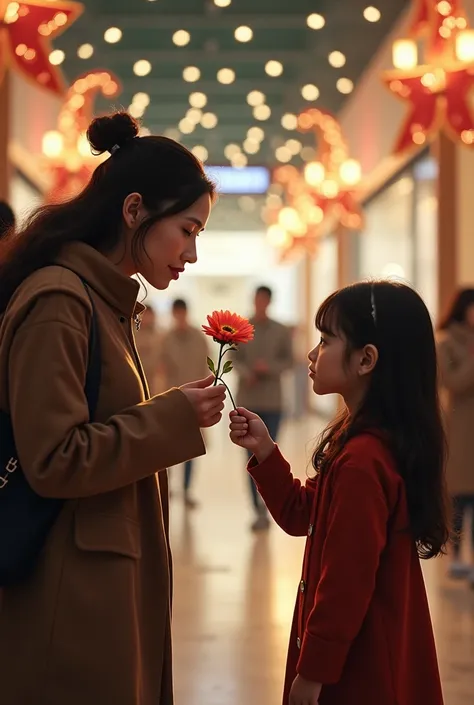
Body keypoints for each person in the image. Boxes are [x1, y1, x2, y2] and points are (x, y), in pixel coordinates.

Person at [0, 111, 226, 705]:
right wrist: (172, 416)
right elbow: (53, 456)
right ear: (133, 212)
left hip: (98, 584)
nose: (192, 254)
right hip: (67, 601)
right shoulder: (60, 300)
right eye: (187, 229)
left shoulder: (102, 300)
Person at [229, 281, 447, 705]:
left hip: (359, 666)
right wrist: (265, 450)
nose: (312, 354)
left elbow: (345, 583)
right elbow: (302, 514)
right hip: (360, 651)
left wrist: (313, 673)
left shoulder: (364, 461)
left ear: (366, 359)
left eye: (326, 340)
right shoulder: (358, 441)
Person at [234, 285, 293, 531]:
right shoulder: (240, 328)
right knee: (250, 457)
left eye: (264, 300)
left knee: (269, 456)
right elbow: (232, 357)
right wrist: (247, 372)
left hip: (272, 401)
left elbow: (290, 360)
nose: (260, 304)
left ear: (269, 302)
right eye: (257, 300)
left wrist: (267, 368)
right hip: (248, 401)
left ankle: (267, 506)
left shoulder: (281, 331)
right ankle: (257, 509)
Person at [437, 288, 474, 583]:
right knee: (459, 496)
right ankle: (457, 554)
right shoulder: (448, 343)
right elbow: (453, 382)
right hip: (461, 430)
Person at [160, 298, 209, 507]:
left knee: (191, 447)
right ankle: (167, 488)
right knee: (168, 447)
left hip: (195, 401)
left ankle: (187, 490)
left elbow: (207, 367)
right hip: (171, 399)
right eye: (176, 313)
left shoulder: (199, 338)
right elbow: (159, 369)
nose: (179, 317)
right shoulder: (165, 339)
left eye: (182, 313)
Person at [135, 304, 165, 395]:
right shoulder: (133, 333)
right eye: (143, 315)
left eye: (148, 315)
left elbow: (163, 355)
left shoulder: (159, 335)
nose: (146, 318)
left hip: (154, 378)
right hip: (137, 374)